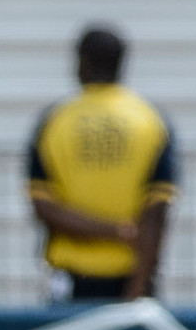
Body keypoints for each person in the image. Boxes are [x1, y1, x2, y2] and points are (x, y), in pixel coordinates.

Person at [25, 26, 176, 304]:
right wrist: (139, 286)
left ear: (82, 61)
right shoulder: (150, 121)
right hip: (131, 277)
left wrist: (111, 230)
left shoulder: (55, 121)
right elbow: (157, 212)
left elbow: (44, 206)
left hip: (71, 278)